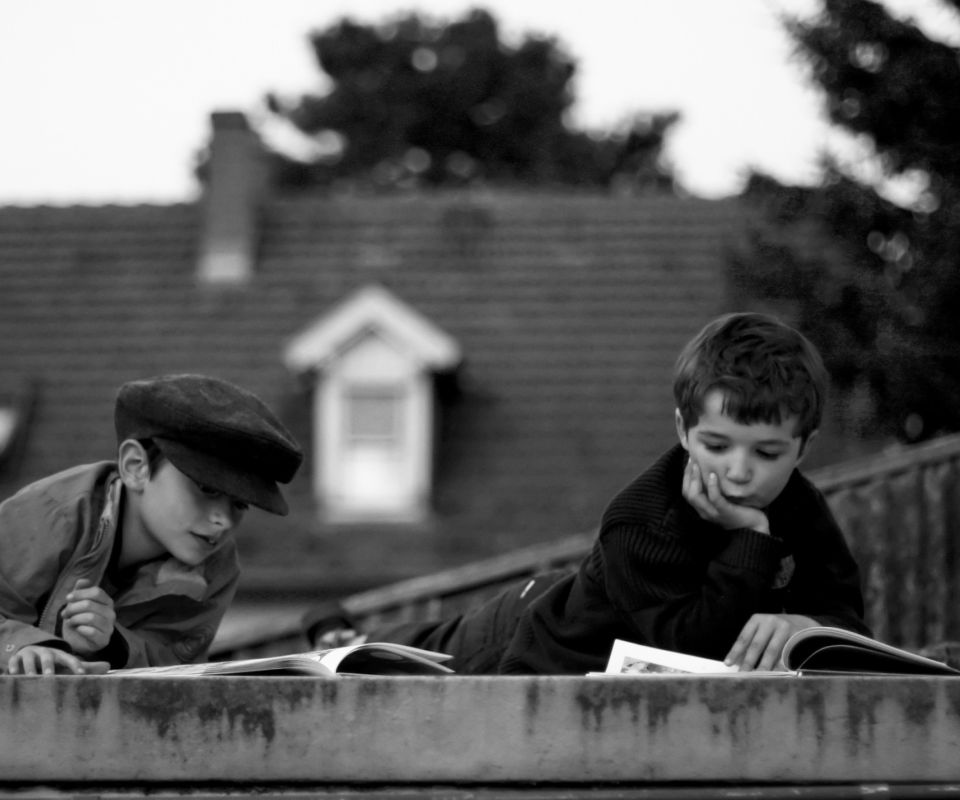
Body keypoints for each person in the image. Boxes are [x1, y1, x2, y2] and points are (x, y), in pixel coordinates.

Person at [303, 311, 871, 674]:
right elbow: (689, 649)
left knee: (423, 640)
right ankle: (340, 636)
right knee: (405, 655)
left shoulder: (801, 505)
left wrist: (804, 626)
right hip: (530, 639)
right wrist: (750, 539)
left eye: (767, 453)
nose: (741, 471)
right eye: (717, 445)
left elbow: (847, 617)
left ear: (804, 448)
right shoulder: (640, 518)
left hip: (583, 608)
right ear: (682, 431)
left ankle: (348, 634)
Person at [1, 373, 303, 676]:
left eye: (240, 504)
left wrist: (109, 645)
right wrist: (24, 646)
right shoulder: (49, 515)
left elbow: (172, 673)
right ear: (136, 467)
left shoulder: (216, 570)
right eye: (207, 488)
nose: (223, 520)